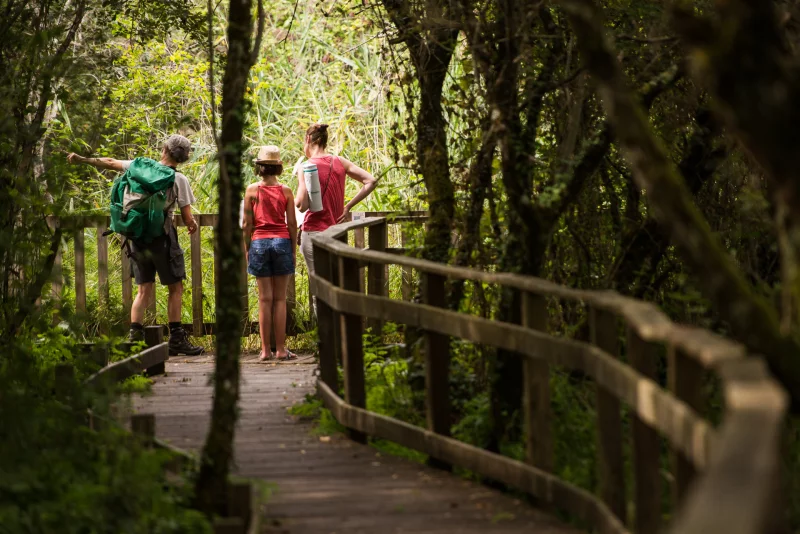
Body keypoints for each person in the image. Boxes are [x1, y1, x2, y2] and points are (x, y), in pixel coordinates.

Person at [67, 134, 204, 356]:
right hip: (162, 238)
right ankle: (177, 339)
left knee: (143, 289)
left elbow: (110, 162)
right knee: (175, 288)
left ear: (164, 149)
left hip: (137, 238)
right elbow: (187, 216)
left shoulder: (140, 166)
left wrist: (83, 159)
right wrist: (192, 224)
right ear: (184, 158)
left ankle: (134, 338)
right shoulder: (179, 179)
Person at [295, 123, 378, 281]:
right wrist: (348, 206)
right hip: (337, 233)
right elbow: (371, 181)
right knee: (336, 282)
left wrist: (293, 199)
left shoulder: (306, 166)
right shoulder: (340, 161)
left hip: (314, 233)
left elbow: (302, 205)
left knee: (319, 286)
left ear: (308, 139)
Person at [242, 145, 298, 361]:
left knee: (265, 299)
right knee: (280, 299)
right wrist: (292, 250)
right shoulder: (286, 191)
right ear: (279, 168)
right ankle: (281, 349)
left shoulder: (251, 190)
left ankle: (265, 351)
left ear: (259, 168)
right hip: (282, 242)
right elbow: (292, 224)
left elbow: (247, 223)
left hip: (259, 243)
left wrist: (247, 248)